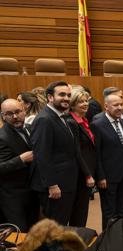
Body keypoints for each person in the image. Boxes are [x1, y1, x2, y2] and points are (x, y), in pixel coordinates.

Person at [30, 81, 80, 226]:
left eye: (69, 95)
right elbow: (42, 155)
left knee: (62, 224)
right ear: (50, 97)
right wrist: (52, 185)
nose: (66, 98)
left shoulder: (60, 117)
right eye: (62, 94)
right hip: (55, 186)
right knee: (55, 227)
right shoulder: (45, 119)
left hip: (65, 182)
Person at [92, 92, 123, 230]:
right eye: (115, 105)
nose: (119, 107)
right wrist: (100, 176)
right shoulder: (97, 125)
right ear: (106, 106)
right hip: (108, 177)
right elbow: (96, 154)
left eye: (121, 104)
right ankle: (108, 240)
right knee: (109, 211)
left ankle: (122, 237)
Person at [0, 99, 38, 231]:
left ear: (24, 110)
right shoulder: (2, 136)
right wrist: (20, 160)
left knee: (34, 231)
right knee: (20, 233)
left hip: (32, 191)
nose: (15, 117)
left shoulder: (29, 128)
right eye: (9, 114)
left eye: (18, 112)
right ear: (3, 116)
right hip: (13, 196)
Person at [67, 89, 97, 227]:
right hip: (80, 173)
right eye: (80, 102)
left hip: (86, 170)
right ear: (72, 105)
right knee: (79, 211)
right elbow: (76, 151)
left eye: (86, 100)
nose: (85, 104)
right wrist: (88, 174)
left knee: (82, 209)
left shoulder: (84, 120)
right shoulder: (72, 122)